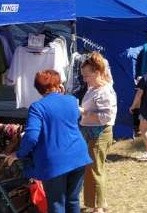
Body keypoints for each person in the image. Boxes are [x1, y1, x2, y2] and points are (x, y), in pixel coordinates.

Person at [6, 70, 92, 213]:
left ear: (38, 88)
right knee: (73, 200)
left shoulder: (38, 107)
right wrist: (62, 95)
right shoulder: (71, 100)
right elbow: (72, 116)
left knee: (57, 203)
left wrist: (19, 154)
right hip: (78, 156)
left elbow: (32, 136)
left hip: (55, 162)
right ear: (59, 84)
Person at [80, 52, 117, 213]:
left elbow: (105, 116)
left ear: (96, 72)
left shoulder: (103, 91)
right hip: (93, 133)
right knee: (94, 169)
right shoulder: (94, 87)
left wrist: (83, 112)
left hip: (99, 134)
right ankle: (99, 203)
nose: (84, 79)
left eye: (86, 75)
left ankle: (98, 208)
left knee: (95, 170)